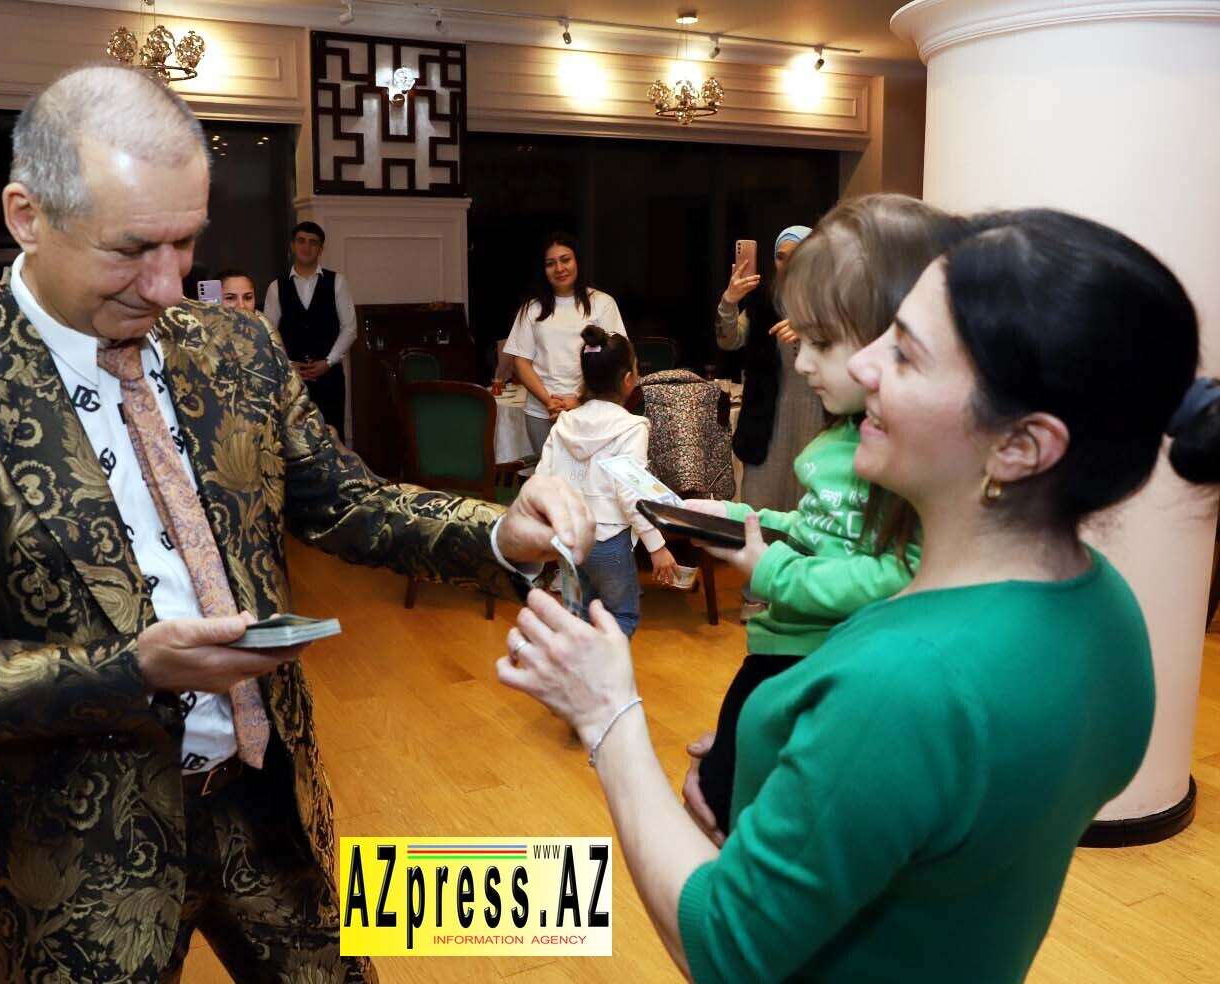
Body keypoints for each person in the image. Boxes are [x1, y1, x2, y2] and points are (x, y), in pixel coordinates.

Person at [0, 63, 593, 984]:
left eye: (186, 243)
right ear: (27, 216)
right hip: (74, 857)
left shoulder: (238, 346)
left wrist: (498, 533)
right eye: (132, 250)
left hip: (269, 811)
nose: (167, 286)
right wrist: (131, 671)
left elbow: (349, 500)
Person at [499, 203, 1206, 982]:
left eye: (905, 354)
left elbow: (725, 944)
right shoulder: (1109, 612)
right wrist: (794, 767)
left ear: (1020, 446)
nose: (865, 368)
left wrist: (609, 716)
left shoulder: (902, 690)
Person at [687, 195, 954, 837]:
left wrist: (773, 571)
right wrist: (732, 517)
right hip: (783, 649)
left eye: (823, 342)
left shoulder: (910, 469)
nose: (805, 361)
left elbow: (894, 572)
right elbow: (814, 527)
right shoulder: (841, 442)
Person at [536, 326, 678, 637]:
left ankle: (579, 667)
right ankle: (607, 668)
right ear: (628, 379)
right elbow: (630, 492)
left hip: (569, 540)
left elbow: (541, 483)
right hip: (608, 542)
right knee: (620, 618)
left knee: (578, 615)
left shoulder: (563, 423)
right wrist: (656, 545)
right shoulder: (632, 427)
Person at [716, 226, 825, 512]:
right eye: (781, 256)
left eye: (797, 255)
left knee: (809, 505)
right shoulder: (762, 302)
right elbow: (728, 340)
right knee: (761, 508)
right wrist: (729, 301)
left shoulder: (831, 303)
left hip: (817, 417)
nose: (787, 264)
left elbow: (851, 350)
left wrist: (811, 329)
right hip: (767, 421)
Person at [503, 232, 626, 456]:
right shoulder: (531, 308)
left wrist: (579, 399)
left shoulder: (602, 303)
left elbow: (615, 359)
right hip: (542, 412)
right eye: (550, 263)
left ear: (577, 261)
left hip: (591, 409)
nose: (559, 268)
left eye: (565, 260)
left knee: (590, 475)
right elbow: (521, 362)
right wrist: (549, 401)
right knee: (548, 475)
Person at [263, 221, 356, 436]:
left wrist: (329, 362)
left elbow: (350, 328)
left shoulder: (337, 282)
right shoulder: (276, 287)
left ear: (321, 249)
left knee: (331, 434)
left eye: (313, 242)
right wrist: (288, 365)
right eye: (301, 241)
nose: (307, 247)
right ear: (292, 245)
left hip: (329, 376)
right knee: (293, 437)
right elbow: (269, 334)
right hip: (291, 378)